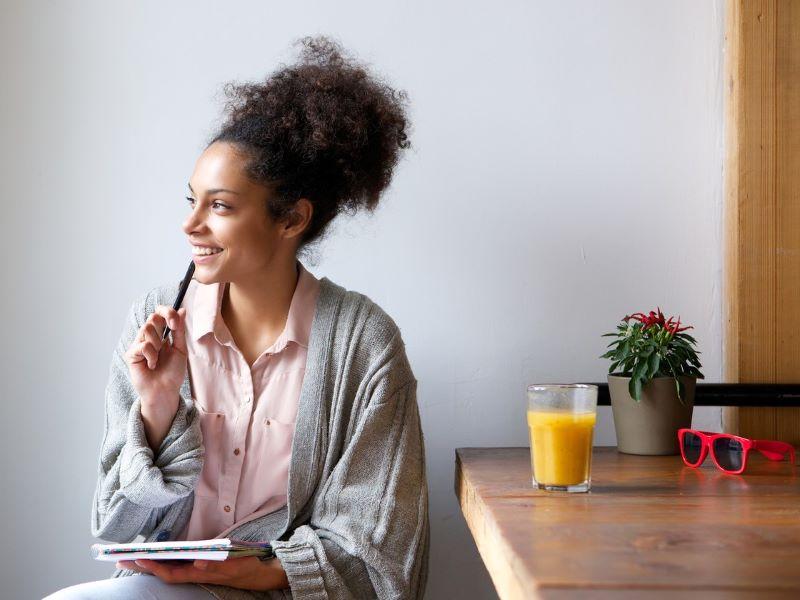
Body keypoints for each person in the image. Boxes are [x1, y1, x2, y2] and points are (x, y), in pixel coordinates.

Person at [45, 35, 429, 600]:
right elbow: (113, 525)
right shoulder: (155, 326)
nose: (190, 224)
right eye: (191, 200)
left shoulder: (363, 343)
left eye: (219, 206)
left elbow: (380, 548)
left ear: (292, 218)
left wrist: (268, 572)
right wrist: (156, 408)